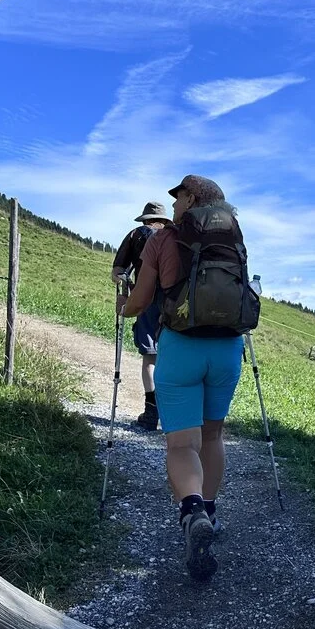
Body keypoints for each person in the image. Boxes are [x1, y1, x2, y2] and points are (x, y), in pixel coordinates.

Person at [120, 174, 257, 582]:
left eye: (177, 197)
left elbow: (141, 301)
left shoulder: (162, 240)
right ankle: (209, 515)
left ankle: (192, 509)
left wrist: (124, 307)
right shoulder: (233, 239)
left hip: (180, 346)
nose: (174, 206)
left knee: (181, 442)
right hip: (228, 348)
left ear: (192, 197)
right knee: (213, 436)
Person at [111, 201, 173, 430]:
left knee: (150, 357)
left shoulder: (136, 235)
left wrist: (125, 285)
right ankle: (173, 415)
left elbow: (117, 272)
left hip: (145, 300)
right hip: (175, 302)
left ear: (145, 219)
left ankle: (151, 413)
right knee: (173, 355)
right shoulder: (174, 236)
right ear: (165, 220)